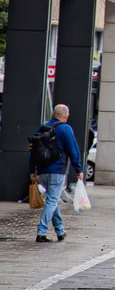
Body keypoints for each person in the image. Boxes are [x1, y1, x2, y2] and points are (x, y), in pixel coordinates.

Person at [31, 103, 83, 243]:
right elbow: (73, 150)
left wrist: (33, 170)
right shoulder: (65, 129)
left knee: (53, 201)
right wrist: (79, 169)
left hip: (42, 171)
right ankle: (41, 232)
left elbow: (33, 150)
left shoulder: (41, 128)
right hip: (57, 171)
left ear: (54, 114)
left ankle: (60, 231)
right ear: (66, 116)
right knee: (52, 201)